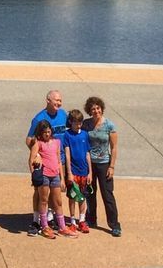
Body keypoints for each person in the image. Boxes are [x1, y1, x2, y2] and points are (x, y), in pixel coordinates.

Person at [25, 90, 68, 236]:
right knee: (40, 192)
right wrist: (37, 155)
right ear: (48, 100)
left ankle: (51, 218)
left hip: (59, 159)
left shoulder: (63, 115)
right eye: (56, 100)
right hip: (44, 161)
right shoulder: (39, 119)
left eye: (60, 100)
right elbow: (29, 139)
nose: (59, 103)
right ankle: (37, 220)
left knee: (56, 193)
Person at [29, 121, 77, 238]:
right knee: (43, 200)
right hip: (44, 175)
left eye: (48, 131)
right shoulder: (38, 143)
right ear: (40, 133)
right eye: (44, 132)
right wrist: (34, 176)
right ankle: (44, 226)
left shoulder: (56, 142)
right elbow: (31, 160)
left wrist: (62, 178)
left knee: (58, 202)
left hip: (55, 175)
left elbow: (59, 161)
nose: (47, 134)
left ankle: (62, 227)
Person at [82, 96, 121, 237]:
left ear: (102, 109)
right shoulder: (86, 124)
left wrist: (112, 167)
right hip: (90, 165)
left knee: (107, 195)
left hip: (104, 164)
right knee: (90, 193)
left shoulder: (110, 125)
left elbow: (114, 147)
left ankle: (114, 224)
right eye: (93, 109)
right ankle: (91, 219)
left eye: (98, 108)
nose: (96, 111)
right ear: (89, 111)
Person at [59, 109, 92, 233]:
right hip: (73, 172)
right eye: (76, 123)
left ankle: (81, 220)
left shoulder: (84, 134)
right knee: (73, 197)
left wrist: (90, 172)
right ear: (71, 122)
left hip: (84, 171)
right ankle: (72, 221)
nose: (78, 125)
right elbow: (67, 154)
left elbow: (88, 154)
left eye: (80, 123)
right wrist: (69, 173)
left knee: (82, 197)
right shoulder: (67, 135)